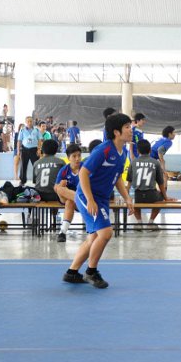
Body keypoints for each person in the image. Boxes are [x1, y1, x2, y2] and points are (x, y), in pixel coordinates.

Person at [62, 114, 134, 288]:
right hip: (87, 196)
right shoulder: (103, 150)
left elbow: (116, 178)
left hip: (101, 198)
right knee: (106, 233)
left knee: (94, 236)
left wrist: (127, 197)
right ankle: (91, 272)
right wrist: (90, 199)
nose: (131, 130)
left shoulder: (122, 152)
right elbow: (83, 173)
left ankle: (71, 273)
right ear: (116, 132)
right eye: (127, 127)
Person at [126, 139, 176, 230]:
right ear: (149, 150)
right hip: (152, 196)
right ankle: (151, 222)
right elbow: (160, 183)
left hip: (138, 196)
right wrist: (165, 197)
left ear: (137, 151)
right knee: (160, 198)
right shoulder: (155, 162)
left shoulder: (133, 162)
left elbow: (129, 182)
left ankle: (139, 223)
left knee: (136, 198)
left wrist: (126, 197)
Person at [54, 143, 83, 242]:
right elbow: (55, 188)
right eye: (74, 156)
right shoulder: (64, 170)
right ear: (68, 158)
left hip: (81, 200)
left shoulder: (85, 168)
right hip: (71, 198)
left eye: (79, 155)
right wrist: (60, 185)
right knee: (60, 189)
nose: (77, 158)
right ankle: (78, 198)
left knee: (70, 202)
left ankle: (62, 232)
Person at [17, 117, 40, 184]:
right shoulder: (22, 130)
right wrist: (18, 150)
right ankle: (23, 181)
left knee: (36, 165)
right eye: (28, 121)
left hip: (34, 150)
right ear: (26, 122)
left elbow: (39, 140)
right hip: (24, 150)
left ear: (32, 121)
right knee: (23, 165)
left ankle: (36, 180)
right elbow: (19, 141)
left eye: (31, 121)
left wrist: (39, 149)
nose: (30, 123)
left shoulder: (36, 130)